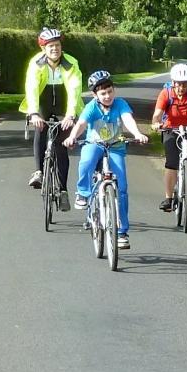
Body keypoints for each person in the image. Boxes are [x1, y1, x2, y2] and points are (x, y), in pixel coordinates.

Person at [63, 71, 148, 250]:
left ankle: (122, 232)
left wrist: (137, 133)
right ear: (95, 95)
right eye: (103, 93)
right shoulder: (92, 107)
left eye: (109, 91)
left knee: (122, 189)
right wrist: (72, 137)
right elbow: (81, 125)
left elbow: (128, 119)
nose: (107, 96)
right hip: (94, 144)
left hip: (116, 146)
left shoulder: (120, 104)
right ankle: (83, 193)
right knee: (86, 162)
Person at [19, 27, 83, 211]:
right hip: (43, 101)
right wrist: (33, 113)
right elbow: (31, 88)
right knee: (40, 129)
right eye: (51, 46)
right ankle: (39, 171)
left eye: (57, 45)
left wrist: (71, 115)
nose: (55, 49)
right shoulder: (36, 63)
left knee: (62, 146)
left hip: (64, 102)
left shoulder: (71, 63)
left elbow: (74, 89)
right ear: (43, 49)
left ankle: (63, 190)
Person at [150, 63, 187, 211]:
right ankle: (169, 198)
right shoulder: (166, 93)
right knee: (171, 163)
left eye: (185, 84)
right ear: (173, 83)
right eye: (179, 84)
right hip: (171, 129)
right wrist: (156, 123)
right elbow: (157, 114)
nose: (182, 88)